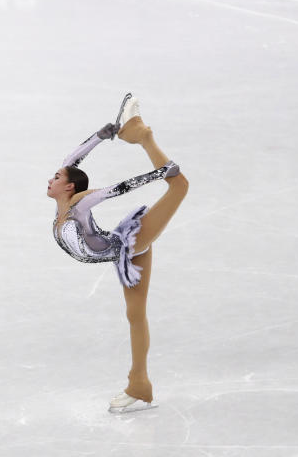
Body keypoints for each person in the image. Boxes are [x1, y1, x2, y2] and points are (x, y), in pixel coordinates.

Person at [46, 95, 189, 414]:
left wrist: (159, 173)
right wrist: (102, 134)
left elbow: (117, 189)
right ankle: (139, 385)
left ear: (68, 188)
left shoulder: (79, 204)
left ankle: (143, 135)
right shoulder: (63, 208)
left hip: (131, 241)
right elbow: (72, 159)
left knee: (178, 185)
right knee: (135, 315)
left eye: (56, 177)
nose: (51, 178)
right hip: (125, 256)